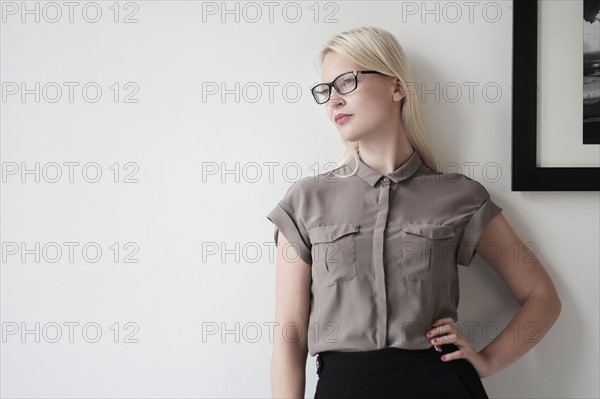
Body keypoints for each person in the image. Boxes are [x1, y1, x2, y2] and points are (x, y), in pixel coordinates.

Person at [266, 26, 561, 398]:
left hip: (441, 384)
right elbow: (289, 340)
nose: (333, 101)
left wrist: (488, 361)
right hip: (345, 386)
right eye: (325, 91)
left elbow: (542, 297)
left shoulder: (460, 197)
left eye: (346, 82)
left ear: (396, 87)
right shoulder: (306, 201)